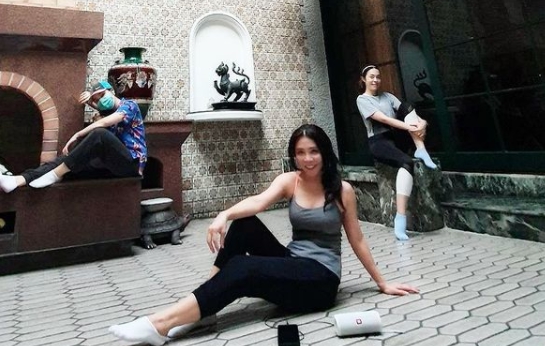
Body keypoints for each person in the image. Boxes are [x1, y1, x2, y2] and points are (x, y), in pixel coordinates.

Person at [109, 123, 418, 346]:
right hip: (293, 260)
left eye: (313, 151)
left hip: (320, 280)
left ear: (324, 153)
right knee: (245, 225)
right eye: (300, 153)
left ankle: (160, 324)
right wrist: (224, 215)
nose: (308, 159)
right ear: (294, 155)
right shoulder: (290, 181)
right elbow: (257, 202)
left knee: (244, 268)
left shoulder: (342, 190)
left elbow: (357, 239)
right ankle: (204, 307)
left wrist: (382, 283)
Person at [0, 81, 147, 193]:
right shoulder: (107, 113)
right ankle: (18, 180)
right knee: (65, 158)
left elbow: (104, 123)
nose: (101, 101)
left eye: (103, 95)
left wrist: (77, 134)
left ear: (111, 91)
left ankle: (56, 174)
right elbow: (104, 113)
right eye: (97, 100)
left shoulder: (130, 106)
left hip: (132, 166)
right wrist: (90, 101)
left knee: (99, 134)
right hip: (111, 166)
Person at [356, 65, 436, 241]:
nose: (375, 80)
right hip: (379, 141)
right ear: (363, 79)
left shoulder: (388, 96)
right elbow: (384, 119)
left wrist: (422, 123)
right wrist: (410, 127)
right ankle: (400, 219)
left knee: (407, 106)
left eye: (378, 76)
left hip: (396, 136)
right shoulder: (362, 99)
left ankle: (421, 150)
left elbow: (408, 112)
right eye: (371, 77)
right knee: (407, 162)